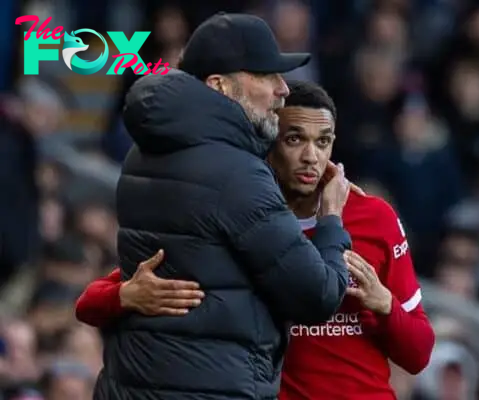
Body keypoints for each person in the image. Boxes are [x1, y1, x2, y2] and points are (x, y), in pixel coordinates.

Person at [77, 81, 435, 399]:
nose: (311, 156)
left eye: (322, 142)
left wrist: (385, 304)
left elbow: (419, 354)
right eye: (295, 139)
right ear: (269, 144)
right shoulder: (240, 213)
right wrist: (125, 296)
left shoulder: (375, 218)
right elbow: (89, 303)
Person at [97, 13, 354, 400]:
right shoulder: (235, 173)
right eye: (266, 76)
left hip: (134, 383)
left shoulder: (143, 150)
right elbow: (316, 294)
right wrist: (331, 218)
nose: (283, 89)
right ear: (219, 85)